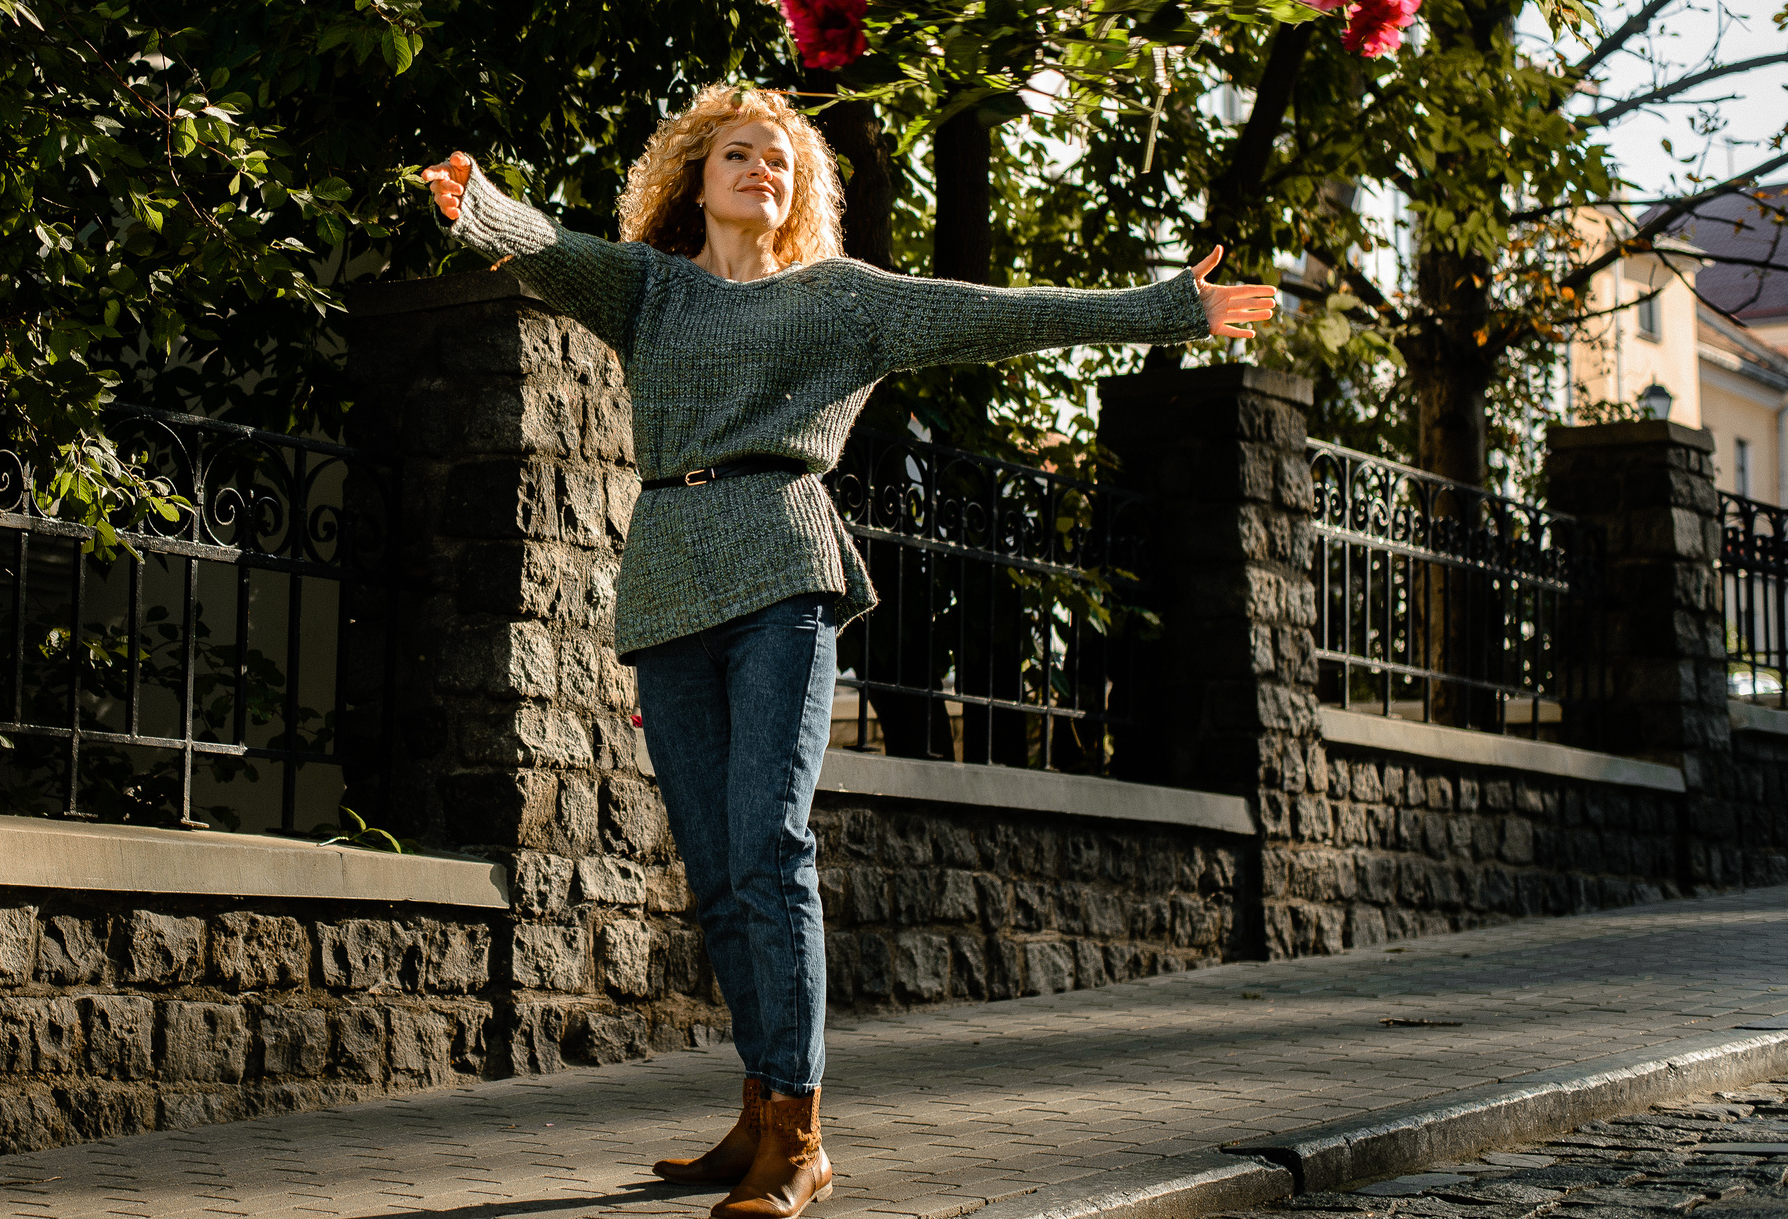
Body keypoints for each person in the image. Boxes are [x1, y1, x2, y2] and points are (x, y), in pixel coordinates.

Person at [419, 84, 1276, 1219]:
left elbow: (999, 313)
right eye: (736, 152)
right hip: (670, 579)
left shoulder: (841, 299)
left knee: (770, 844)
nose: (758, 169)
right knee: (718, 870)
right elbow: (551, 248)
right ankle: (758, 1101)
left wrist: (1170, 309)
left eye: (779, 158)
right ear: (695, 175)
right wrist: (474, 203)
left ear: (800, 187)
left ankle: (801, 1134)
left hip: (784, 567)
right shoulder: (651, 289)